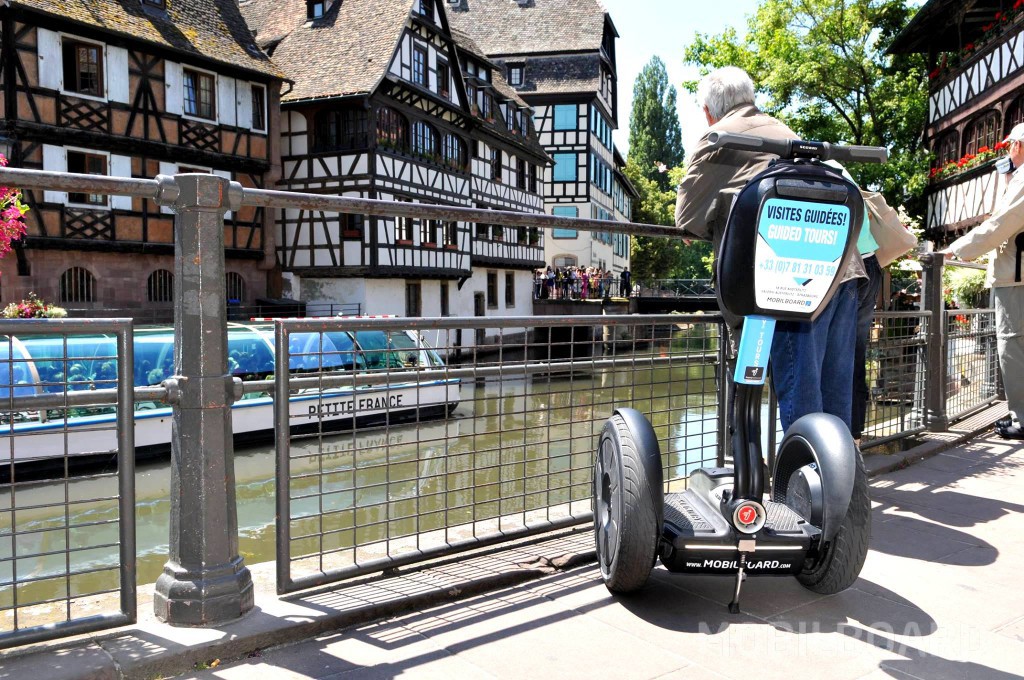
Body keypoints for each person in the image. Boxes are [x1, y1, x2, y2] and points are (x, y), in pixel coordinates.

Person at [674, 66, 865, 433]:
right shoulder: (783, 130)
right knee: (836, 404)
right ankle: (844, 487)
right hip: (840, 268)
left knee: (802, 402)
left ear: (708, 111)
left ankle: (803, 486)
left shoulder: (718, 137)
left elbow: (687, 219)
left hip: (785, 283)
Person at [939, 123, 1024, 438]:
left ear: (1018, 145)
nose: (1006, 151)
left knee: (1012, 344)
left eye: (1009, 146)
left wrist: (957, 250)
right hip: (1018, 273)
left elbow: (1000, 224)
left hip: (1016, 277)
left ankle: (1022, 420)